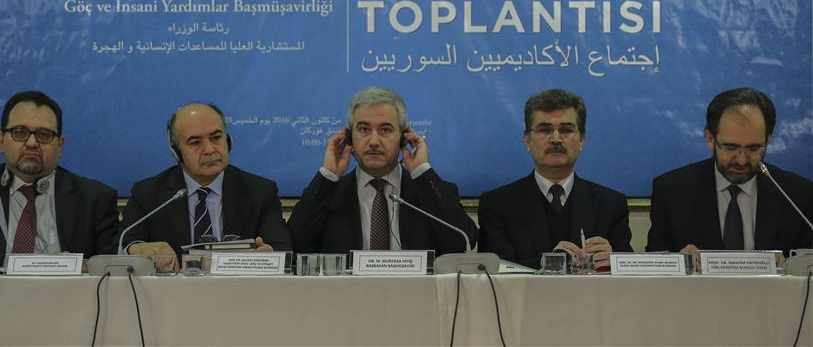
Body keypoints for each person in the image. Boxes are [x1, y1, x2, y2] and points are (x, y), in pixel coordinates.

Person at [288, 87, 477, 255]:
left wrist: (421, 171)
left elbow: (463, 245)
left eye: (385, 130)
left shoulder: (429, 191)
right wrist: (329, 173)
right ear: (349, 138)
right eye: (363, 129)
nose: (374, 141)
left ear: (403, 138)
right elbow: (295, 245)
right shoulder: (329, 193)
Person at [0, 91, 118, 266]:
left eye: (44, 135)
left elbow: (112, 266)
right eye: (19, 132)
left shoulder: (94, 199)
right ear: (1, 141)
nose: (32, 143)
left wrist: (83, 266)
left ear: (60, 144)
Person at [478, 89, 632, 269]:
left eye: (566, 130)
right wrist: (552, 263)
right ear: (527, 140)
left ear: (582, 140)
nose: (556, 139)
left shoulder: (611, 204)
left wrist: (615, 262)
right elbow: (496, 269)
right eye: (545, 130)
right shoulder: (497, 205)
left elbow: (632, 275)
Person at [647, 88, 813, 255]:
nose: (741, 160)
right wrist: (679, 263)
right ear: (710, 139)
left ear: (767, 141)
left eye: (753, 148)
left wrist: (790, 266)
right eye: (731, 147)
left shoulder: (798, 195)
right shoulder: (672, 192)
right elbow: (654, 265)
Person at [120, 102, 291, 258]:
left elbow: (281, 246)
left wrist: (269, 254)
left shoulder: (259, 192)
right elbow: (122, 243)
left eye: (216, 138)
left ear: (228, 141)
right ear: (176, 152)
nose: (209, 149)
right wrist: (137, 249)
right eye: (195, 142)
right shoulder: (148, 195)